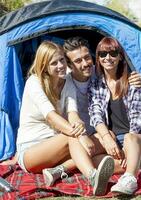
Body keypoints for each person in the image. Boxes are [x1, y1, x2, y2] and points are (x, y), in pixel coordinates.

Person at [16, 41, 114, 196]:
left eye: (61, 60)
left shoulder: (66, 81)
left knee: (107, 138)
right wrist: (81, 136)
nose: (60, 65)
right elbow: (52, 117)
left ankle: (58, 170)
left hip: (60, 147)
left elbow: (72, 113)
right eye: (54, 63)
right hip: (32, 150)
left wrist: (80, 129)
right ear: (44, 66)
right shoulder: (34, 82)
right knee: (73, 136)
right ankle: (93, 176)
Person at [88, 37, 141, 195]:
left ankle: (129, 179)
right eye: (103, 54)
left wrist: (128, 148)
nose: (108, 58)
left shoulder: (132, 80)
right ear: (98, 58)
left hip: (139, 138)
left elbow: (137, 120)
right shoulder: (96, 84)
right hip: (115, 141)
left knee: (129, 138)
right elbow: (95, 114)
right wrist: (107, 138)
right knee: (93, 162)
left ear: (120, 56)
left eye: (113, 53)